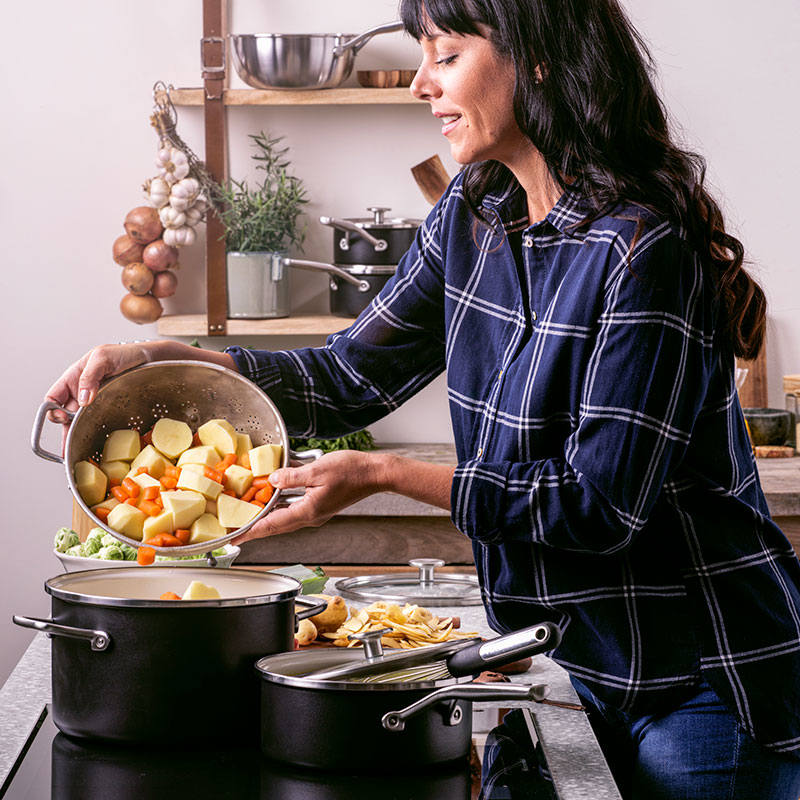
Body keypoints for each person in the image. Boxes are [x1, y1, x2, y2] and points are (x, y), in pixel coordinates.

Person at [46, 0, 800, 796]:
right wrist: (166, 357)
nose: (418, 85)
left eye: (443, 56)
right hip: (569, 660)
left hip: (702, 681)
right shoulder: (476, 211)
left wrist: (385, 475)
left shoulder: (644, 246)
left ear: (536, 57)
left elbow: (599, 507)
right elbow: (349, 377)